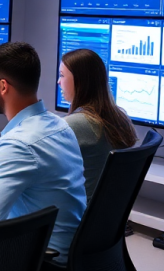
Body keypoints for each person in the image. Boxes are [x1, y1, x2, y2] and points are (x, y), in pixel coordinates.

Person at [0, 42, 85, 261]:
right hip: (70, 251)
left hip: (41, 261)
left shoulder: (18, 144)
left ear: (3, 86)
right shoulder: (59, 125)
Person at [58, 49, 138, 203]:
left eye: (62, 75)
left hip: (74, 219)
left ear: (80, 81)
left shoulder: (76, 124)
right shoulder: (118, 118)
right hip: (99, 219)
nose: (58, 81)